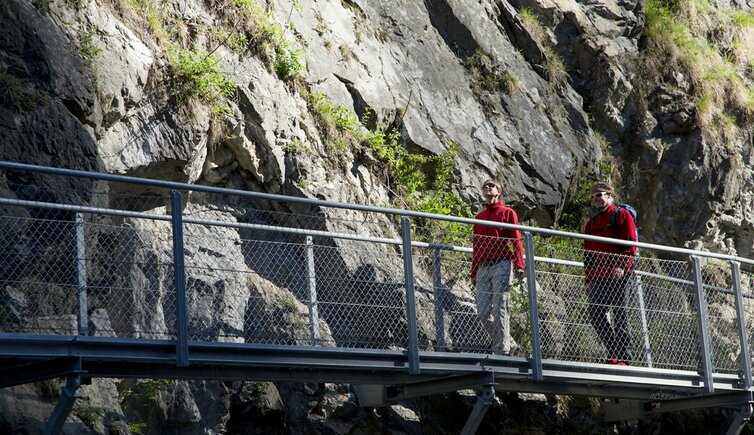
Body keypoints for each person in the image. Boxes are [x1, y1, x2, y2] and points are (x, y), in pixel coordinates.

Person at [583, 181, 637, 366]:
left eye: (599, 194)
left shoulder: (620, 215)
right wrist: (588, 279)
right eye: (593, 196)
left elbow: (630, 244)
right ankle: (614, 350)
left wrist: (622, 266)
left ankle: (624, 358)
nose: (596, 198)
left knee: (620, 314)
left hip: (619, 274)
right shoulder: (591, 224)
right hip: (599, 275)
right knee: (596, 313)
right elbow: (588, 254)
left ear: (609, 195)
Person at [470, 178, 525, 355]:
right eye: (485, 185)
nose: (488, 187)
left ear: (498, 191)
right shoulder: (479, 217)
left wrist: (519, 264)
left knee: (500, 307)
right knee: (483, 311)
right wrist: (473, 270)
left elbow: (516, 239)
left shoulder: (507, 213)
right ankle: (509, 343)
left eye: (491, 185)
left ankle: (501, 351)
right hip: (483, 267)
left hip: (501, 263)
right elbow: (476, 246)